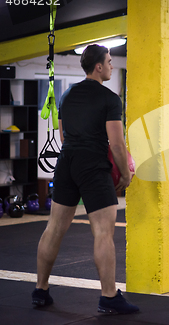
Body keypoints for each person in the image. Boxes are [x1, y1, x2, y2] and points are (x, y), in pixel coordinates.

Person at [32, 45, 139, 314]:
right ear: (99, 67)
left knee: (54, 227)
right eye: (110, 62)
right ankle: (109, 296)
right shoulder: (110, 99)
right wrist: (125, 175)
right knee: (103, 232)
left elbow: (63, 135)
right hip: (93, 165)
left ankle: (40, 290)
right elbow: (116, 144)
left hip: (66, 162)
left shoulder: (67, 94)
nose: (113, 66)